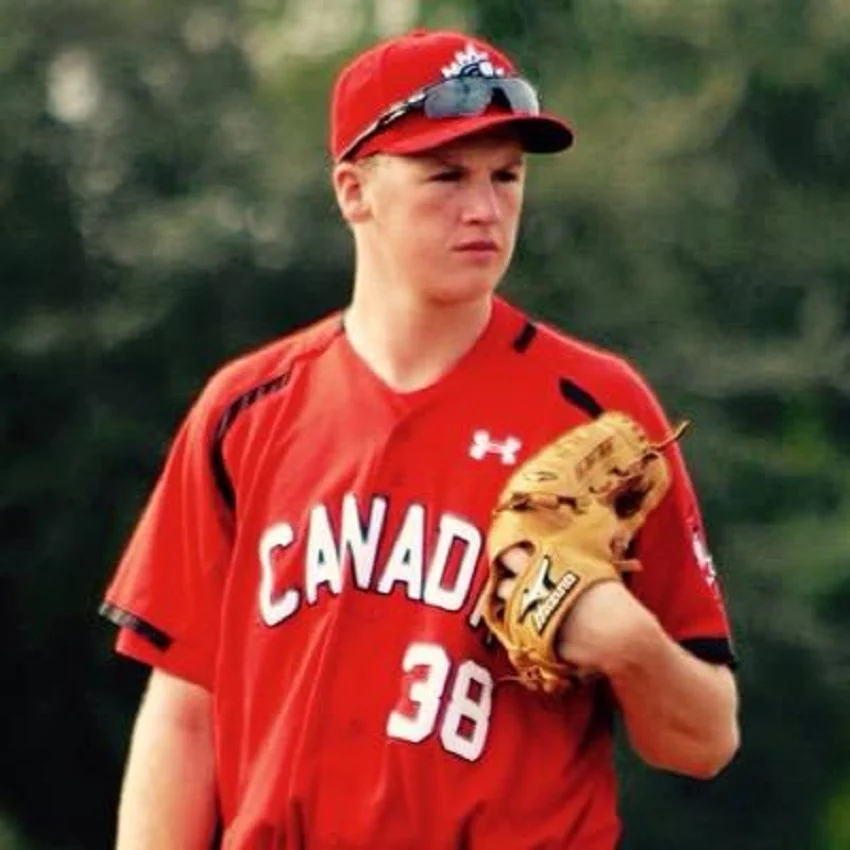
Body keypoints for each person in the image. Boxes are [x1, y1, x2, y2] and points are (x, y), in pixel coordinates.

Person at [100, 28, 740, 850]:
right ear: (353, 191)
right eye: (446, 175)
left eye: (506, 175)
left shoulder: (599, 411)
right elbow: (185, 712)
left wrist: (630, 645)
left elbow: (704, 741)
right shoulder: (246, 411)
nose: (485, 209)